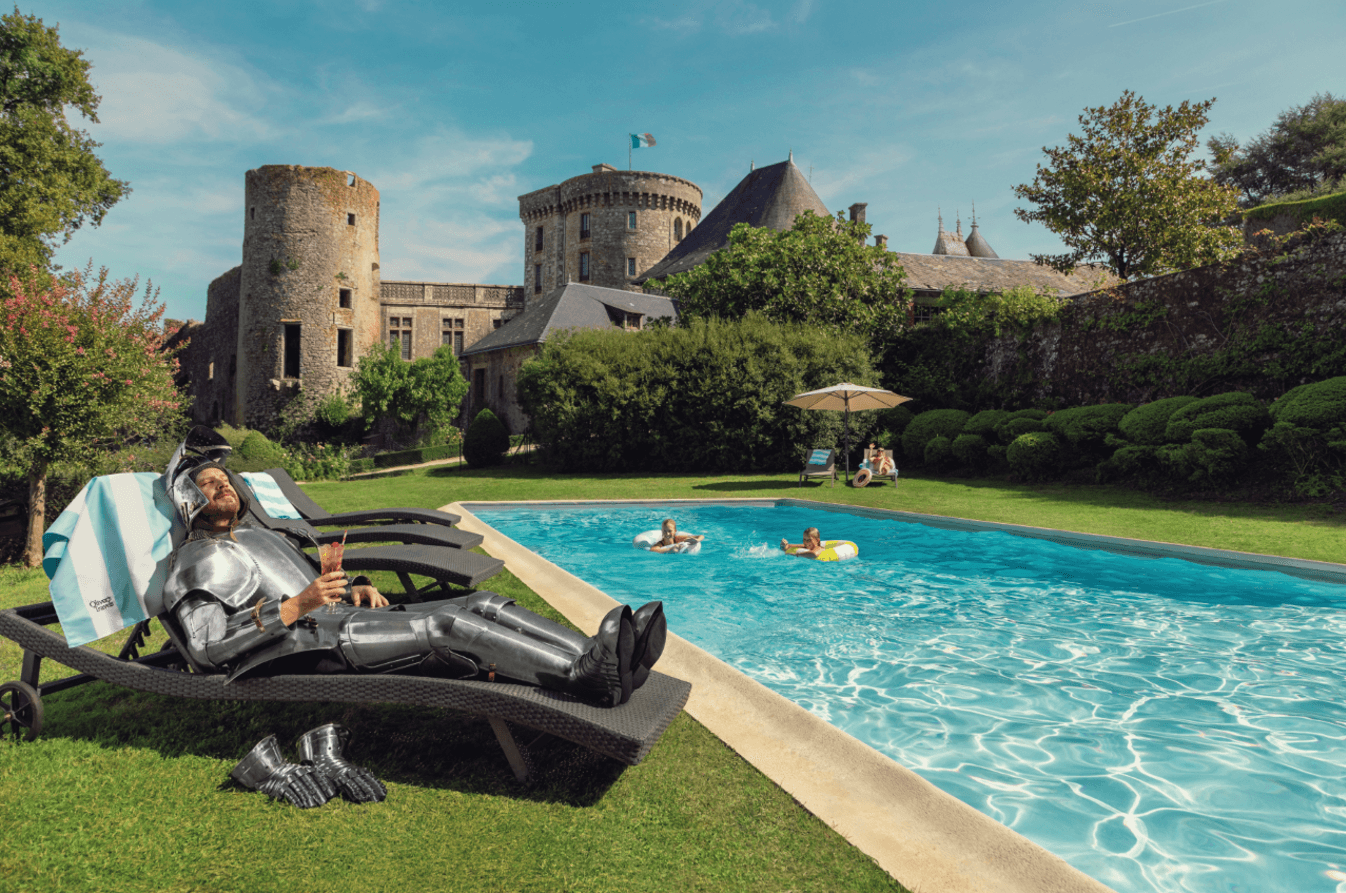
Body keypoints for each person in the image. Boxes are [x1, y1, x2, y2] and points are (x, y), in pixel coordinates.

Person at [162, 448, 665, 708]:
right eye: (209, 482)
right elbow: (207, 649)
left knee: (483, 601)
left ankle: (595, 656)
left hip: (338, 621)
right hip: (303, 649)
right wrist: (294, 608)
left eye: (224, 478)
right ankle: (583, 677)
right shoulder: (198, 560)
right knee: (447, 625)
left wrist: (348, 588)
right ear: (189, 500)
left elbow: (302, 584)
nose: (223, 482)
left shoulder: (252, 537)